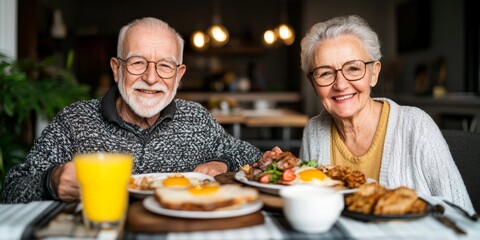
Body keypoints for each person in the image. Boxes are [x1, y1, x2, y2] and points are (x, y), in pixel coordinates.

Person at [2, 17, 262, 204]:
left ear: (179, 75)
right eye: (138, 62)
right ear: (117, 69)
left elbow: (252, 156)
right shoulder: (74, 120)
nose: (151, 78)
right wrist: (51, 181)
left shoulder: (196, 118)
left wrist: (223, 162)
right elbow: (12, 188)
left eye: (165, 66)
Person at [299, 15, 474, 212]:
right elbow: (308, 208)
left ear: (374, 73)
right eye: (325, 73)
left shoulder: (417, 126)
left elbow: (463, 215)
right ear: (312, 82)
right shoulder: (313, 131)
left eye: (353, 68)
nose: (340, 84)